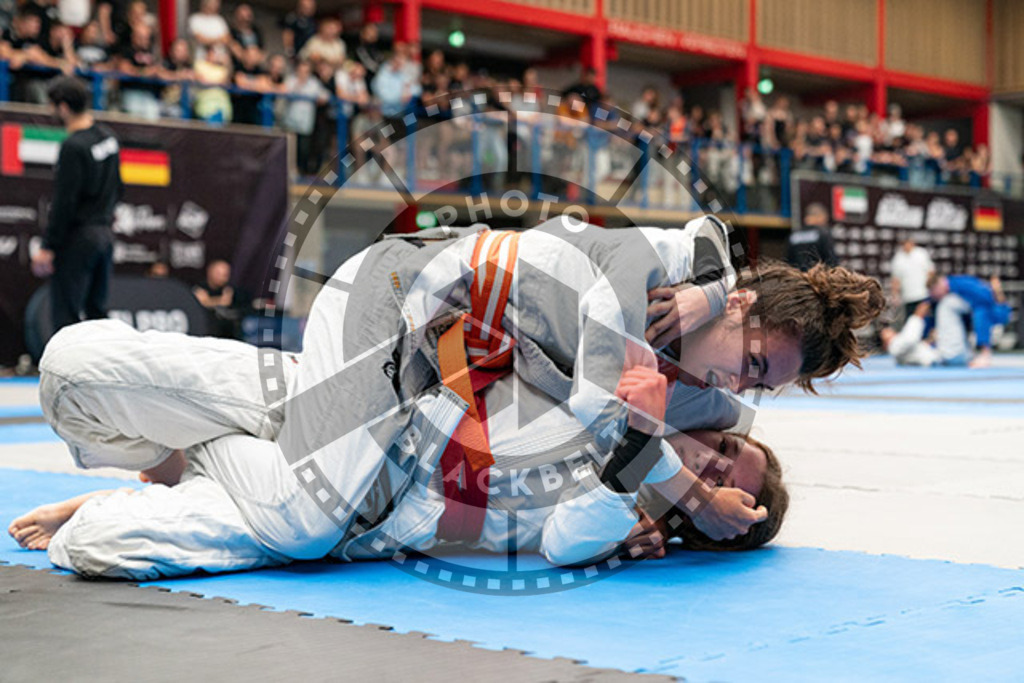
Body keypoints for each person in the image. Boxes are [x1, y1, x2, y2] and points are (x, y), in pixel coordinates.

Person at [10, 317, 787, 578]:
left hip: (347, 508)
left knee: (96, 542)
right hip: (332, 394)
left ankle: (182, 468)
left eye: (719, 476)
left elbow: (561, 539)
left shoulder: (622, 516)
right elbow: (458, 336)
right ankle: (189, 460)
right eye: (721, 449)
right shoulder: (609, 372)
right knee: (70, 369)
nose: (707, 465)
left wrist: (641, 456)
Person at [30, 77, 123, 335]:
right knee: (97, 310)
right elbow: (119, 187)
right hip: (104, 236)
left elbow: (64, 201)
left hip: (80, 237)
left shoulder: (73, 146)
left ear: (62, 107)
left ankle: (67, 375)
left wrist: (49, 246)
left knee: (66, 314)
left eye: (52, 107)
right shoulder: (109, 138)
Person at [928, 274, 1012, 368]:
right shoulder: (950, 290)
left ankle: (985, 353)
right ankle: (974, 353)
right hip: (981, 308)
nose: (934, 296)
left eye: (933, 292)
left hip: (996, 310)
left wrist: (997, 292)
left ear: (940, 285)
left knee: (980, 313)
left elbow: (986, 298)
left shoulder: (961, 284)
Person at [878, 301, 940, 367]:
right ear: (885, 344)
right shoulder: (894, 347)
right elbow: (910, 340)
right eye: (884, 334)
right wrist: (918, 316)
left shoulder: (899, 345)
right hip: (936, 362)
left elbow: (913, 344)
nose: (889, 330)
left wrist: (929, 340)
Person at [889, 235, 934, 321]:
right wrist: (895, 295)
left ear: (912, 243)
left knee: (926, 321)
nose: (907, 245)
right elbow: (895, 280)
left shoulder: (922, 253)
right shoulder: (898, 258)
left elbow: (930, 272)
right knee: (911, 323)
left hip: (923, 294)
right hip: (908, 297)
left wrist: (931, 289)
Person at [786, 202, 839, 272]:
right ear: (820, 217)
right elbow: (831, 261)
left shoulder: (794, 235)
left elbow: (787, 261)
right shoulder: (823, 234)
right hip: (817, 279)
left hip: (797, 278)